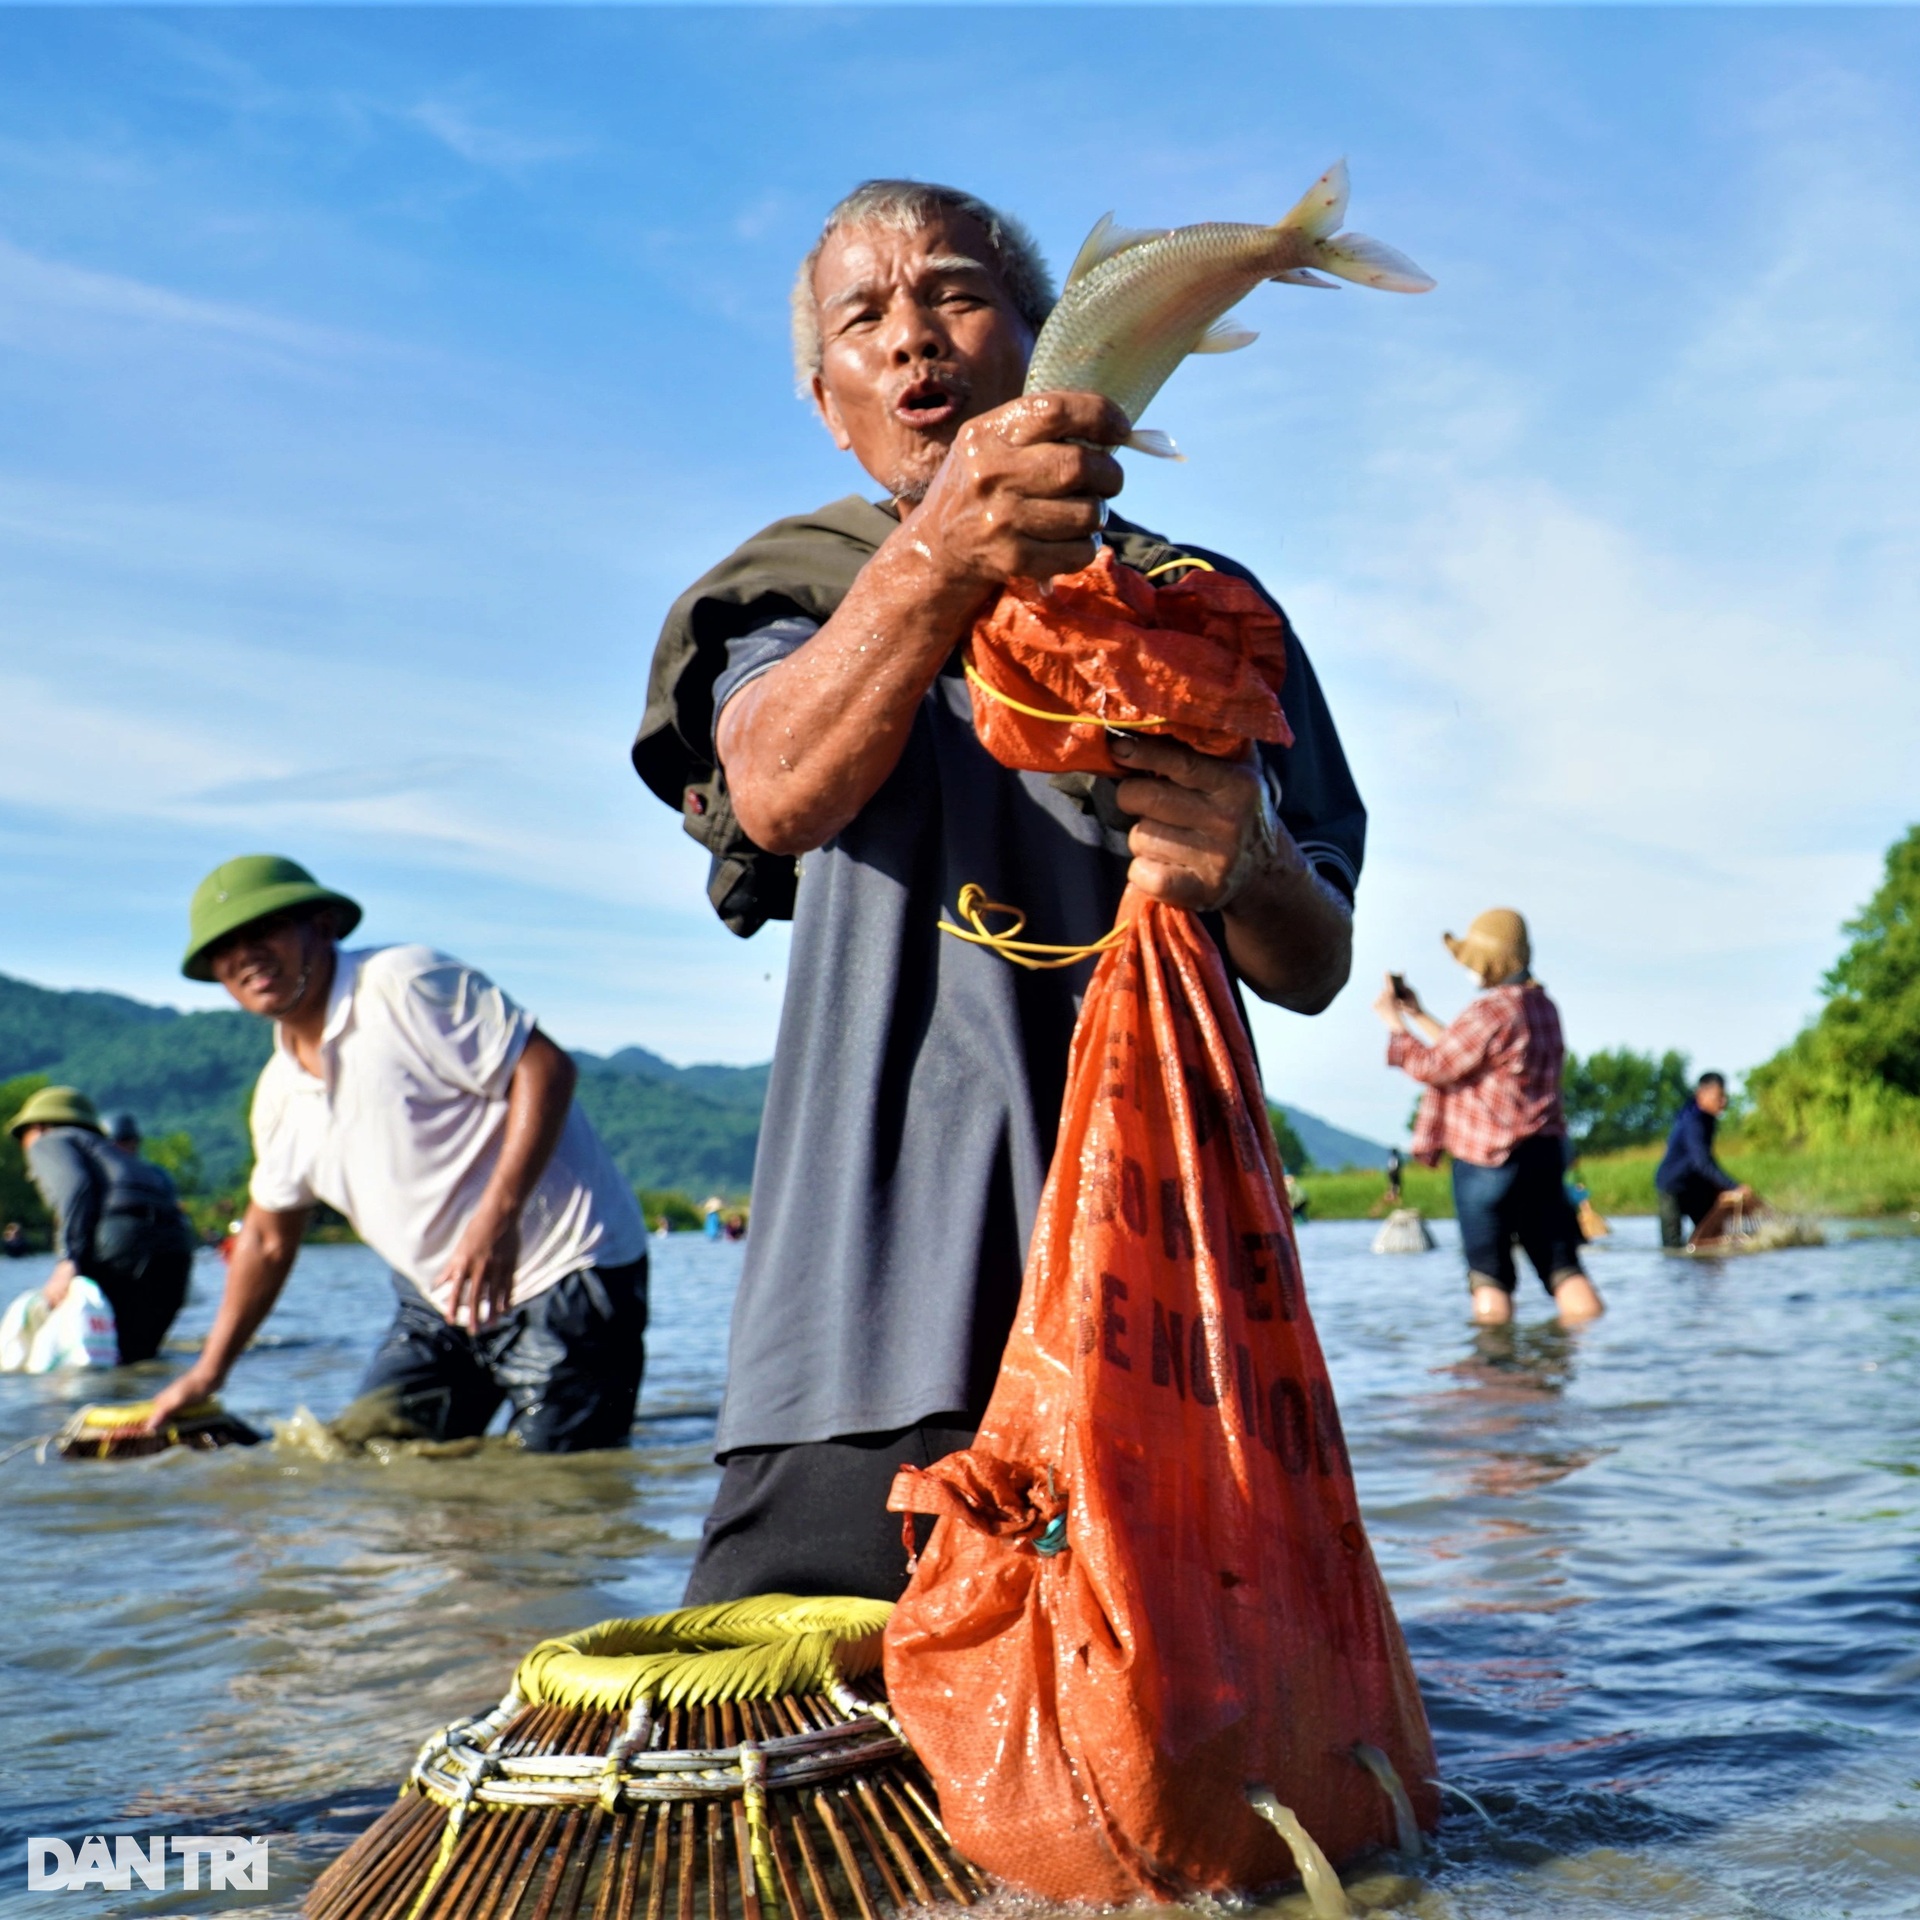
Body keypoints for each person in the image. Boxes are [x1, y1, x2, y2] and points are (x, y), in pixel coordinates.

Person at [634, 180, 1367, 1602]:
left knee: (1186, 1774)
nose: (914, 339)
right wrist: (943, 556)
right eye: (866, 318)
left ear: (1047, 344)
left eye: (957, 295)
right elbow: (779, 787)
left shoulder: (1210, 608)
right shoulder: (790, 593)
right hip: (860, 1324)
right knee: (784, 1766)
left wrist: (1256, 862)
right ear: (827, 398)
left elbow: (1316, 959)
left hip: (1167, 1316)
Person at [145, 855, 649, 1450]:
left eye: (265, 931)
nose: (246, 955)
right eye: (225, 948)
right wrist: (207, 1375)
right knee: (361, 1455)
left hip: (562, 1272)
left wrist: (495, 1221)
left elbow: (544, 1067)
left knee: (558, 1490)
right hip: (437, 1301)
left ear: (324, 924)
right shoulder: (278, 1097)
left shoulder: (401, 983)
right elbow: (266, 1238)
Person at [1373, 909, 1605, 1327]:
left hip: (1486, 1165)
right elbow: (1471, 1058)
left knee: (1490, 1281)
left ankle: (1494, 1379)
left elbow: (1435, 1067)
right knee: (1563, 1269)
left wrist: (1394, 1025)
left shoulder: (1489, 1011)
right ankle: (1594, 1358)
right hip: (1543, 1157)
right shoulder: (1544, 1007)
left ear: (1487, 962)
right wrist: (1419, 1014)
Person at [8, 1086, 195, 1363]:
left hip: (121, 1243)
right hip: (176, 1253)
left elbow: (76, 1188)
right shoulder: (113, 1154)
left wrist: (68, 1260)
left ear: (39, 1127)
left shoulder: (49, 1141)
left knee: (100, 1364)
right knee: (138, 1360)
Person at [1655, 1072, 1756, 1248]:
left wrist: (1721, 1187)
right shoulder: (1694, 1121)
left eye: (1725, 1096)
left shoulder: (1706, 1119)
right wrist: (1733, 1186)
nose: (1724, 1101)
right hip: (1672, 1187)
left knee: (1711, 1239)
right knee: (1672, 1249)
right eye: (1719, 1096)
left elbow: (1705, 1161)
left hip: (1695, 1186)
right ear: (1702, 1095)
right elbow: (1701, 1162)